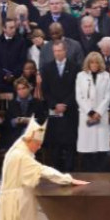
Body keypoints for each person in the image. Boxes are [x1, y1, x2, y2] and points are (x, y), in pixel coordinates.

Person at [40, 40, 79, 172]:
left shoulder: (75, 67)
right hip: (54, 110)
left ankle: (70, 171)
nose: (57, 53)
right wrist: (54, 104)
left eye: (60, 50)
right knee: (55, 142)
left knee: (70, 142)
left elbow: (76, 89)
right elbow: (45, 90)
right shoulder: (47, 67)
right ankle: (56, 170)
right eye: (55, 51)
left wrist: (66, 104)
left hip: (70, 110)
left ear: (65, 51)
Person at [75, 51, 110, 172]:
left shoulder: (106, 75)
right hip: (86, 115)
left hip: (101, 115)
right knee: (87, 146)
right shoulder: (81, 75)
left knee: (101, 146)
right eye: (92, 62)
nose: (94, 64)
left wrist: (98, 113)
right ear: (88, 63)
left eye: (97, 62)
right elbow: (79, 96)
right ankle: (88, 173)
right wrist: (90, 112)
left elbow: (108, 96)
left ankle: (100, 173)